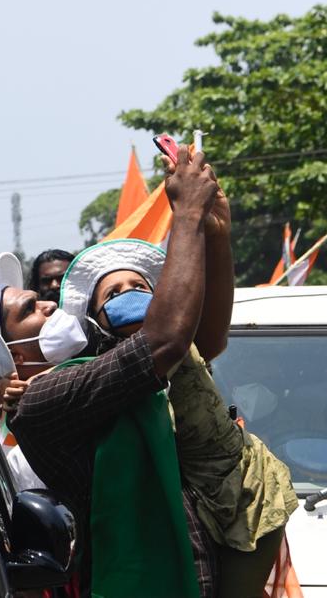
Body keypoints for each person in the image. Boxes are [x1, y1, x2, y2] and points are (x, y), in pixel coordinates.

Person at [0, 147, 224, 597]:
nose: (48, 302)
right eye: (29, 309)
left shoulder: (90, 361)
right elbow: (164, 342)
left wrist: (217, 234)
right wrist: (187, 215)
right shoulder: (43, 400)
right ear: (14, 355)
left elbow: (202, 341)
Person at [60, 238, 297, 598]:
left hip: (243, 495)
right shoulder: (98, 373)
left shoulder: (184, 343)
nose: (129, 295)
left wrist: (219, 234)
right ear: (95, 318)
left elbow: (214, 321)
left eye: (139, 287)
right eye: (113, 293)